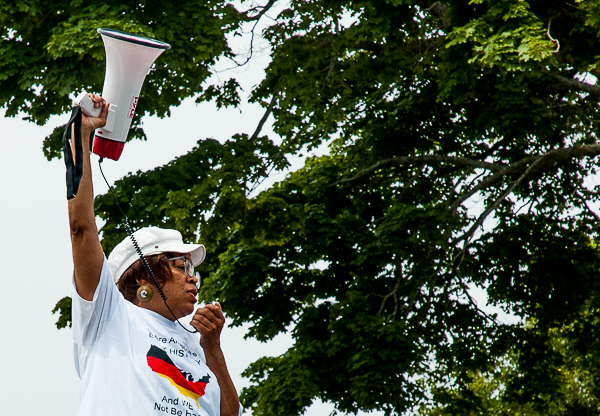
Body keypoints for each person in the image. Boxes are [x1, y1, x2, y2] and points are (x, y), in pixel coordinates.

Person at [67, 94, 241, 416]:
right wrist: (81, 132)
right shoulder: (109, 316)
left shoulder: (197, 346)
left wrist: (213, 349)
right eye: (181, 265)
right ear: (144, 275)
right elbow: (82, 228)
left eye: (193, 269)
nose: (193, 277)